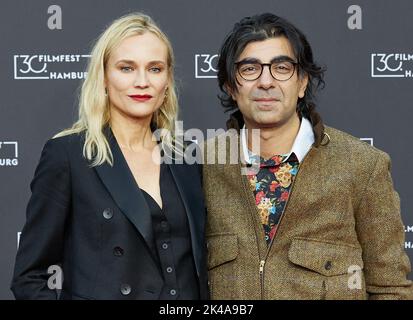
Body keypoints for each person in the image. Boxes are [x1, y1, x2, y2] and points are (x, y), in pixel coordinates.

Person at [202, 12, 413, 299]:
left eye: (282, 68)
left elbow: (391, 288)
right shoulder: (204, 165)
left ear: (302, 82)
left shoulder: (362, 166)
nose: (266, 81)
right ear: (230, 86)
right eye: (249, 69)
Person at [11, 13, 208, 300]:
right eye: (126, 68)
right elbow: (28, 278)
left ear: (167, 81)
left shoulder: (187, 156)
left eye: (155, 69)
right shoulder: (69, 155)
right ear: (103, 77)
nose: (142, 82)